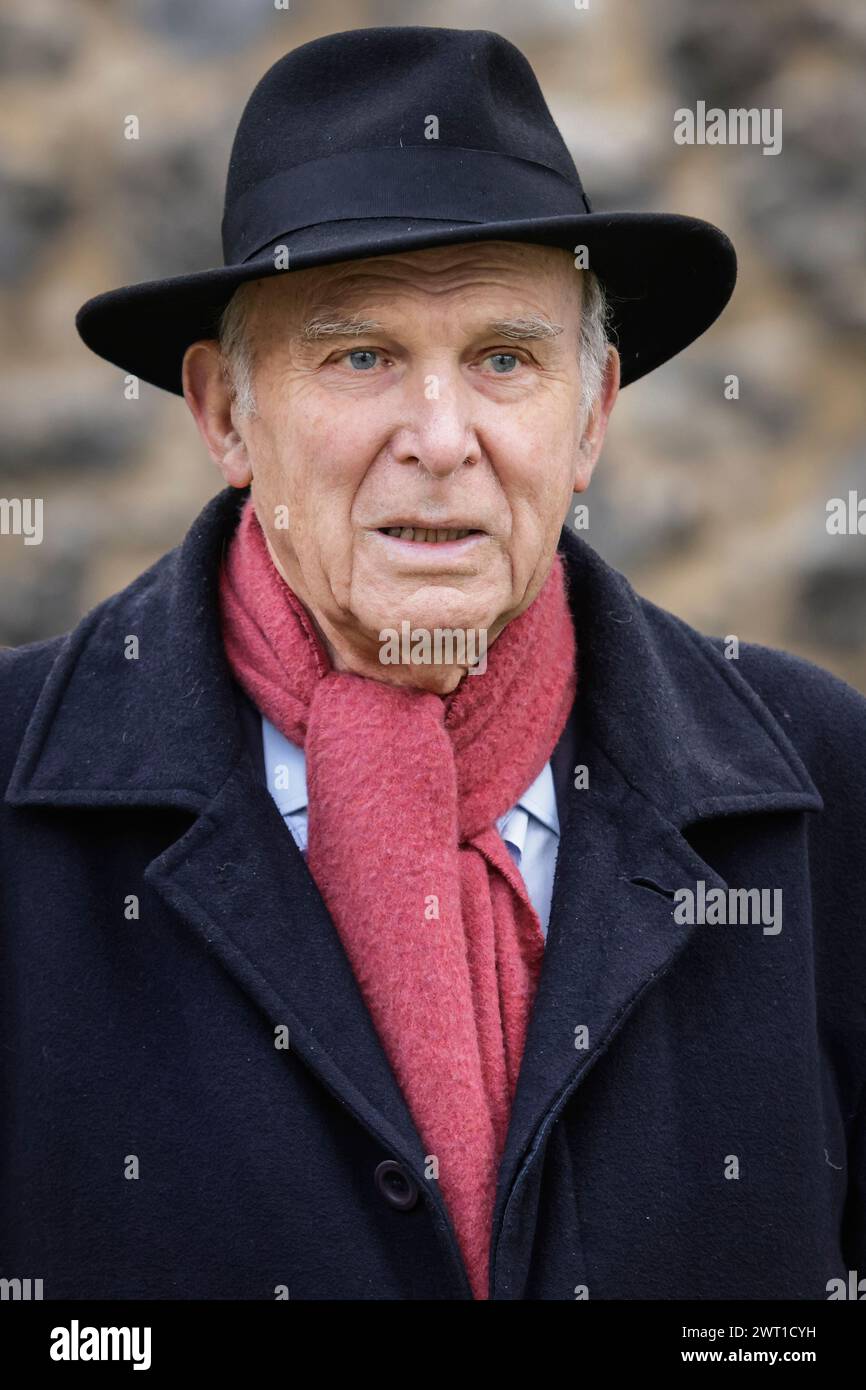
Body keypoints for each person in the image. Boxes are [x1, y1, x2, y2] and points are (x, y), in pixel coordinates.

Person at [1, 26, 863, 1302]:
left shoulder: (816, 784)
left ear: (590, 417)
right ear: (224, 413)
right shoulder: (19, 793)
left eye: (504, 360)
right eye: (361, 356)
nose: (441, 437)